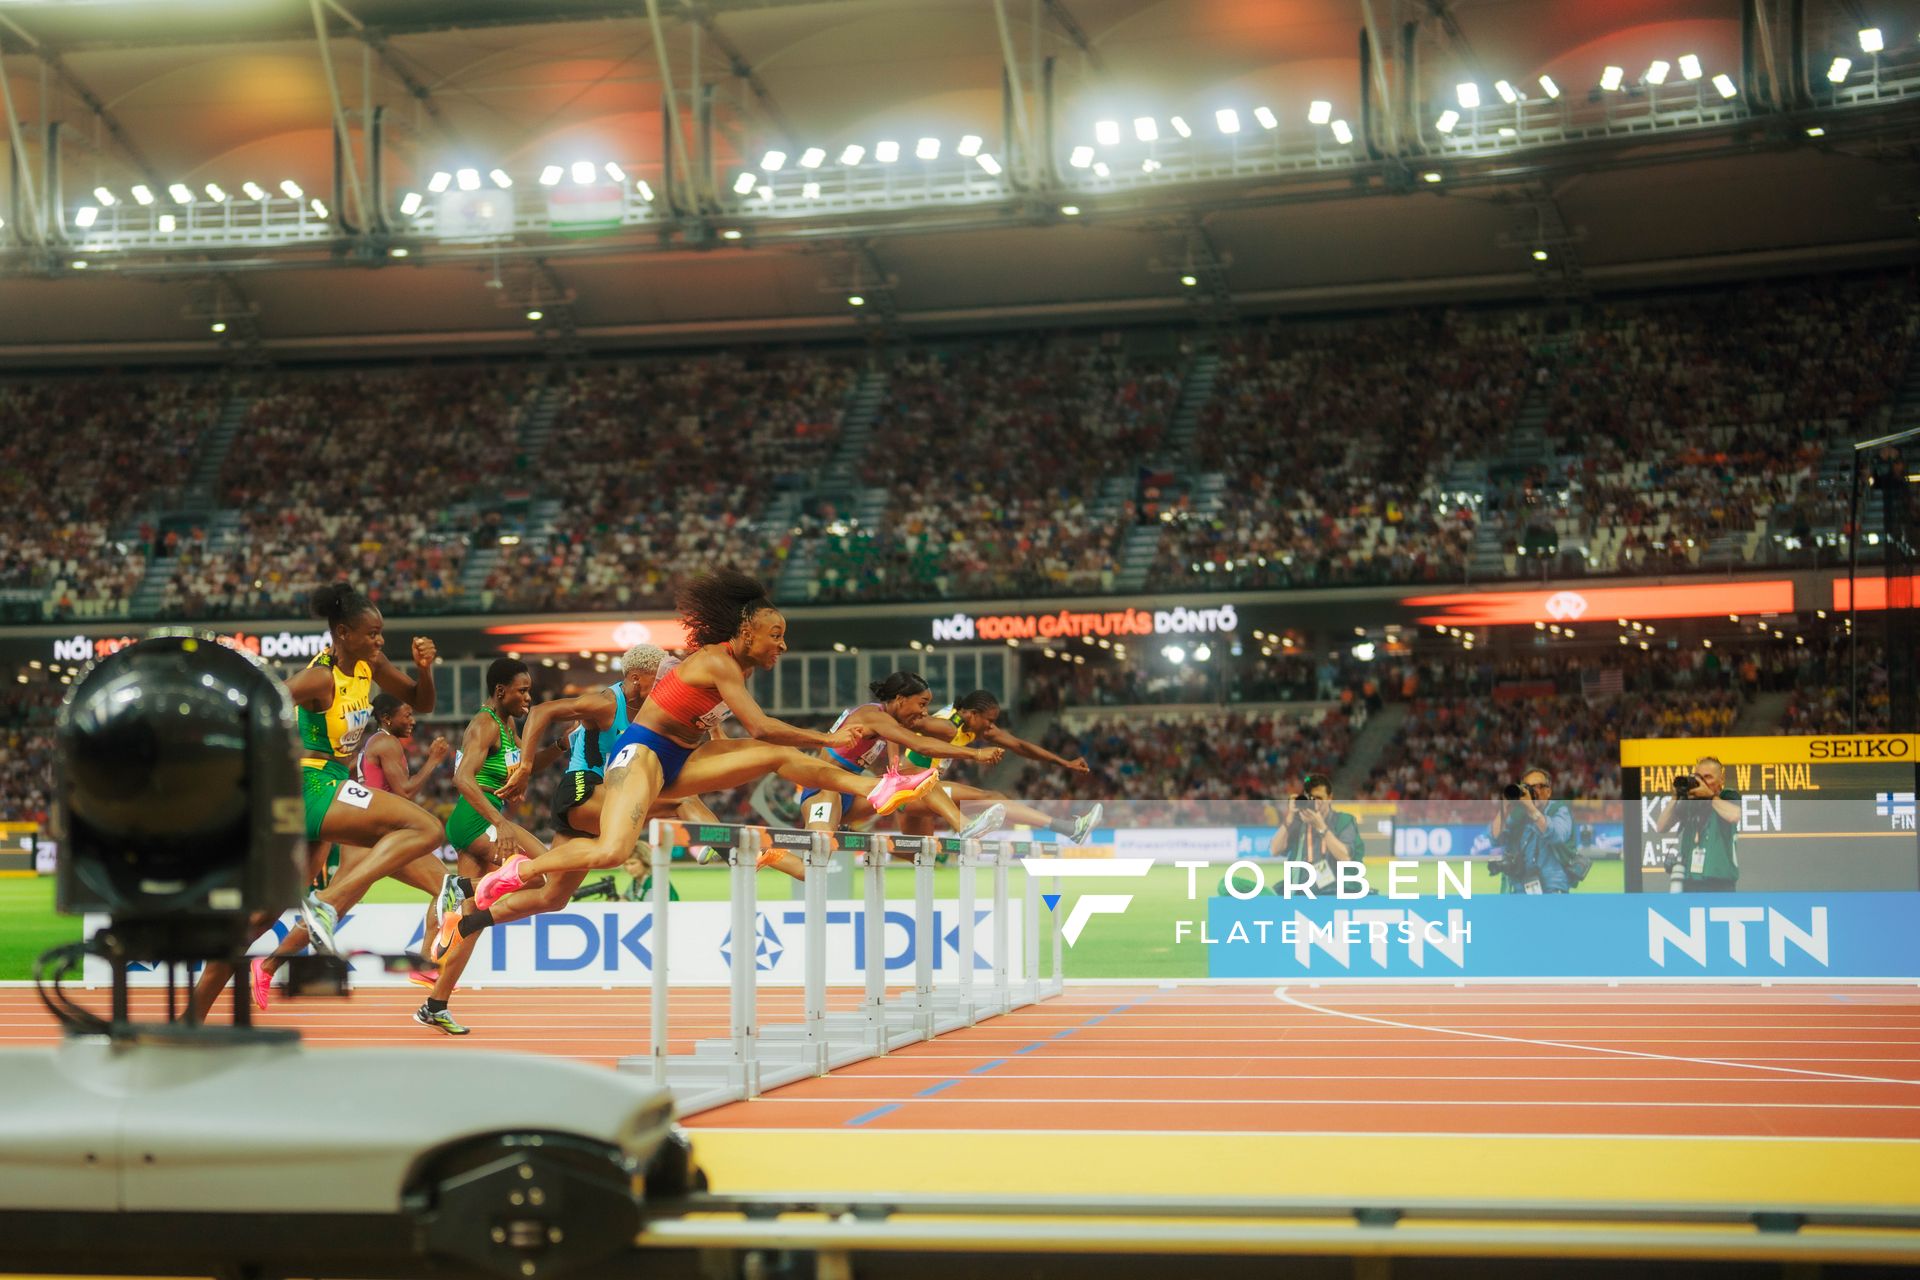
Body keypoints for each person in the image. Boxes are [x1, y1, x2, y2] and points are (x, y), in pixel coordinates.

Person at [436, 570, 921, 957]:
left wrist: (737, 757)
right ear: (746, 630)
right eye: (776, 634)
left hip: (682, 756)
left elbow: (729, 735)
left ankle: (877, 788)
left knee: (779, 757)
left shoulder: (739, 666)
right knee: (611, 850)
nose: (783, 644)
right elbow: (761, 726)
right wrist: (828, 735)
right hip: (641, 757)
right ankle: (514, 874)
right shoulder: (716, 661)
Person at [413, 657, 557, 1035]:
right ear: (500, 691)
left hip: (483, 820)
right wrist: (500, 821)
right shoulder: (484, 724)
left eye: (529, 690)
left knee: (472, 921)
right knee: (545, 870)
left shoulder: (509, 725)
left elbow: (528, 766)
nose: (529, 697)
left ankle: (435, 1005)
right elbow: (462, 778)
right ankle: (457, 887)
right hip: (475, 820)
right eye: (522, 690)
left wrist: (563, 742)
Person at [773, 672, 1010, 880]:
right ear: (900, 699)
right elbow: (922, 746)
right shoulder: (873, 715)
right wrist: (976, 754)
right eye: (922, 703)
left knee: (921, 776)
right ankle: (765, 853)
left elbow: (919, 735)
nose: (924, 711)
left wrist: (896, 761)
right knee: (811, 868)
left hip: (853, 792)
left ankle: (964, 826)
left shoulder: (887, 721)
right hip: (824, 790)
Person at [895, 690, 1103, 844]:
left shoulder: (974, 726)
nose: (991, 726)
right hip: (908, 791)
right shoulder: (947, 726)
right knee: (990, 797)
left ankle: (1068, 829)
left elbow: (1020, 746)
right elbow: (903, 723)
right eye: (989, 720)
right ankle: (1068, 828)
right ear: (973, 714)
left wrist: (1064, 762)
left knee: (920, 853)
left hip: (928, 793)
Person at [1266, 773, 1364, 892]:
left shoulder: (1344, 821)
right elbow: (1274, 850)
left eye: (1319, 798)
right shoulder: (1299, 821)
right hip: (1300, 891)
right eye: (1311, 798)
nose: (1315, 802)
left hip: (1334, 893)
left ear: (1330, 798)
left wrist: (1321, 827)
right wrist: (1290, 817)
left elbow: (1345, 856)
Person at [1656, 755, 1741, 892]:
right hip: (1689, 882)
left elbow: (1734, 815)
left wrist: (1709, 796)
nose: (1702, 782)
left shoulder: (1727, 796)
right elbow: (1661, 826)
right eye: (1698, 777)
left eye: (1708, 777)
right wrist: (1675, 797)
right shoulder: (1691, 803)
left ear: (1721, 780)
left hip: (1720, 883)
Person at [1489, 765, 1575, 894]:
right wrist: (1505, 808)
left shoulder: (1559, 809)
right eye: (1528, 787)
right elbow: (1495, 838)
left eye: (1539, 786)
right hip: (1519, 888)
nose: (1534, 791)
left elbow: (1557, 835)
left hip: (1552, 888)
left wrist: (1532, 809)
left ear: (1549, 792)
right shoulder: (1517, 812)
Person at [355, 693, 451, 801]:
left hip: (373, 811)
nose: (413, 721)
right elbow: (405, 792)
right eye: (407, 716)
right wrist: (433, 760)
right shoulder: (386, 742)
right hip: (380, 814)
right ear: (386, 718)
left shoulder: (376, 741)